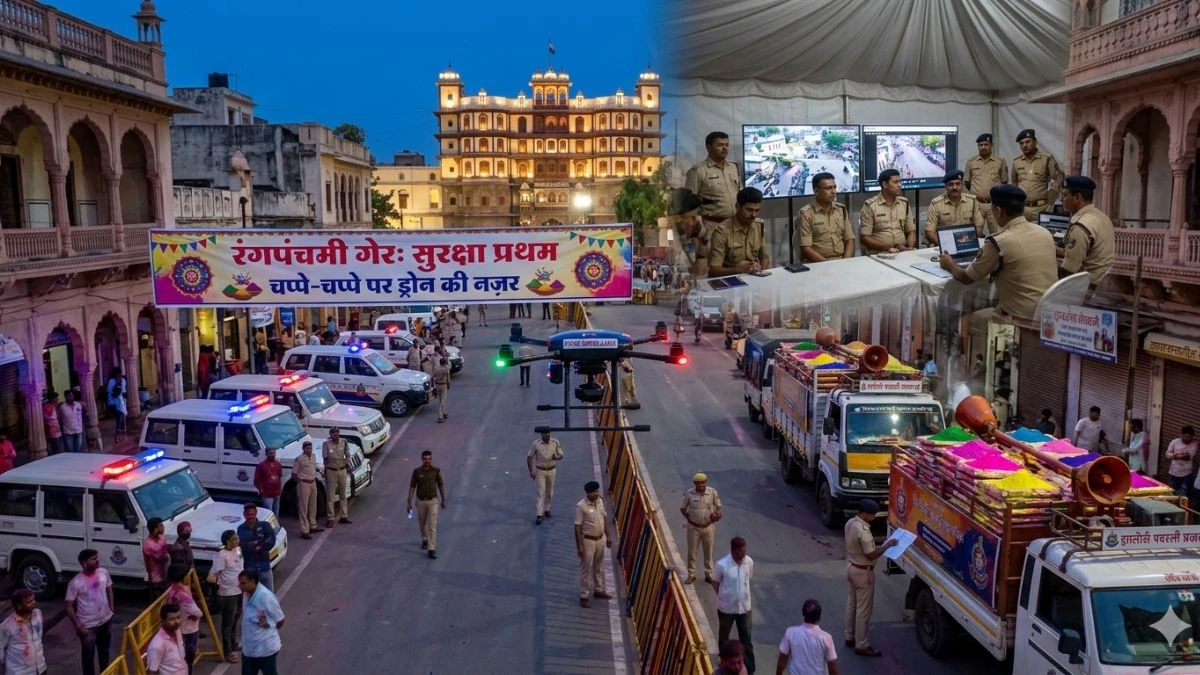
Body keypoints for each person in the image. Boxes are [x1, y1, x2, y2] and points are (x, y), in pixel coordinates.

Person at [938, 184, 1057, 323]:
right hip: (1049, 315)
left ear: (999, 211)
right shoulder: (1044, 233)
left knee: (963, 320)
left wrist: (949, 264)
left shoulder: (999, 242)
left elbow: (966, 278)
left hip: (1019, 318)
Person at [844, 500, 897, 658]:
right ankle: (862, 644)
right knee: (863, 611)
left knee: (852, 605)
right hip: (863, 572)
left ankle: (849, 636)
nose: (874, 517)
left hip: (851, 567)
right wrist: (888, 545)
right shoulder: (864, 531)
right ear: (865, 514)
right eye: (872, 514)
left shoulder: (850, 523)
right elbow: (871, 554)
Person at [1057, 175, 1115, 293]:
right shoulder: (1101, 216)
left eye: (1065, 195)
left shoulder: (1081, 227)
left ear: (1077, 197)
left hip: (1087, 290)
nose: (1061, 200)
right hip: (1104, 285)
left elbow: (1069, 270)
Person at [65, 549, 114, 675]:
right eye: (93, 559)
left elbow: (109, 589)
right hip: (88, 626)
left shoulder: (103, 573)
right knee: (88, 658)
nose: (97, 560)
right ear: (84, 563)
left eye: (97, 557)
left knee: (104, 653)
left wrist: (111, 609)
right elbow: (69, 606)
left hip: (105, 621)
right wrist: (78, 625)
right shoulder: (76, 582)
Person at [712, 536, 755, 674]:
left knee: (746, 639)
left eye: (745, 550)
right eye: (741, 551)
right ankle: (724, 666)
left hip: (744, 608)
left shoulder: (748, 562)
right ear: (733, 550)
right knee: (724, 639)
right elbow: (715, 583)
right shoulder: (722, 565)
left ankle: (749, 668)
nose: (744, 553)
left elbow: (749, 578)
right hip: (726, 608)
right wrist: (725, 596)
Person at [708, 187, 769, 277]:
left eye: (757, 210)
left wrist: (760, 271)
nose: (754, 215)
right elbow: (714, 270)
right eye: (749, 210)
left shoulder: (759, 225)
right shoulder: (722, 232)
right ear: (737, 207)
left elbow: (764, 257)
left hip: (754, 276)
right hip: (730, 279)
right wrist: (739, 270)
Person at [796, 172, 854, 262]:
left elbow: (849, 239)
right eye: (828, 188)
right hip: (818, 263)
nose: (833, 191)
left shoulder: (841, 209)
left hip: (842, 261)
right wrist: (828, 265)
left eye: (834, 187)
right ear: (816, 191)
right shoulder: (806, 213)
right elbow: (806, 249)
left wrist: (845, 262)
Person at [684, 131, 741, 224]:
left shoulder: (734, 167)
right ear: (709, 147)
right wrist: (696, 235)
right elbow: (689, 206)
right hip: (712, 227)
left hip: (734, 224)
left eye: (727, 145)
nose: (725, 148)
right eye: (720, 145)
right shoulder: (698, 171)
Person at [574, 480, 615, 608]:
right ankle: (584, 595)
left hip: (600, 539)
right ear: (588, 493)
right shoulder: (581, 506)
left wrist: (608, 536)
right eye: (594, 492)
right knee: (586, 568)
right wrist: (579, 546)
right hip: (588, 540)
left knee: (599, 566)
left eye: (597, 491)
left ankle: (598, 589)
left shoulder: (600, 501)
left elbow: (604, 519)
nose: (596, 494)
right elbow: (577, 527)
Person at [206, 530, 242, 664]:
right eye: (234, 539)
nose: (237, 540)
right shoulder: (221, 556)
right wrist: (218, 588)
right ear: (227, 541)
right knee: (228, 622)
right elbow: (213, 574)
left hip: (238, 590)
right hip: (227, 593)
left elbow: (239, 563)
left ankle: (233, 643)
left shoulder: (237, 550)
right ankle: (227, 650)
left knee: (236, 617)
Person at [1011, 129, 1063, 222]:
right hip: (1022, 209)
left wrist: (1051, 204)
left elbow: (1057, 180)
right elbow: (1015, 183)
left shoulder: (1046, 159)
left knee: (1039, 235)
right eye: (1021, 143)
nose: (1024, 145)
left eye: (1027, 142)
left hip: (1041, 208)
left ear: (1035, 142)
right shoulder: (1016, 162)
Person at [777, 598, 839, 675]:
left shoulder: (791, 632)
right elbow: (833, 666)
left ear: (803, 614)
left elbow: (782, 662)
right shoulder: (826, 638)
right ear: (819, 617)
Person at [239, 570, 284, 675]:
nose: (240, 586)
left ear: (253, 581)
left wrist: (269, 629)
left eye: (243, 583)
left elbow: (280, 619)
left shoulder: (266, 597)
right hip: (249, 649)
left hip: (265, 649)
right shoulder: (246, 594)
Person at [680, 472, 722, 585]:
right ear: (695, 484)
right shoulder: (689, 494)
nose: (701, 486)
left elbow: (718, 507)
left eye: (703, 483)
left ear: (706, 483)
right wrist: (689, 518)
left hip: (708, 527)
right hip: (693, 527)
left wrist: (716, 515)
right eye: (698, 483)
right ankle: (691, 574)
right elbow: (683, 508)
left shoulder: (712, 492)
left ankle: (709, 574)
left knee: (708, 551)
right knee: (692, 552)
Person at [859, 169, 916, 253]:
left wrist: (909, 248)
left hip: (902, 251)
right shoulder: (870, 206)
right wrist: (887, 248)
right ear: (885, 184)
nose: (900, 185)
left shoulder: (904, 203)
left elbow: (911, 231)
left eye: (900, 182)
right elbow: (865, 238)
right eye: (895, 182)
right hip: (880, 253)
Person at [924, 170, 986, 244]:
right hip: (944, 244)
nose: (954, 187)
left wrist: (971, 242)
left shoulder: (972, 201)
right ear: (945, 186)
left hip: (967, 242)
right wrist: (943, 245)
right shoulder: (936, 204)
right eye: (951, 184)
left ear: (962, 185)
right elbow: (929, 231)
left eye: (958, 184)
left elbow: (978, 226)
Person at [964, 133, 1009, 234]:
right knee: (975, 233)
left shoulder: (1000, 161)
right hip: (977, 204)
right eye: (980, 145)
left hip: (993, 204)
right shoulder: (971, 161)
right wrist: (977, 193)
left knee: (997, 234)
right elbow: (967, 181)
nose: (983, 147)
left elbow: (1004, 181)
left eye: (986, 144)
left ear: (991, 145)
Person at [407, 450, 447, 559]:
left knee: (432, 525)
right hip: (421, 501)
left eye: (429, 459)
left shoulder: (436, 471)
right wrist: (409, 502)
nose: (427, 461)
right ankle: (425, 539)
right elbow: (412, 487)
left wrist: (443, 500)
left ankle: (431, 548)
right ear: (422, 459)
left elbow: (441, 485)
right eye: (425, 459)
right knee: (422, 522)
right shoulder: (416, 471)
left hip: (433, 501)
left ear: (431, 459)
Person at [164, 566, 202, 675]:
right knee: (188, 660)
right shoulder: (183, 593)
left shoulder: (171, 591)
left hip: (178, 628)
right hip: (188, 629)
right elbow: (198, 612)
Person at [0, 588, 46, 675]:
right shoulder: (7, 626)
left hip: (40, 668)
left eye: (33, 600)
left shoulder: (38, 614)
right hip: (19, 672)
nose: (33, 603)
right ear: (18, 606)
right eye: (29, 602)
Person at [669, 188, 713, 279]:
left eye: (697, 216)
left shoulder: (699, 231)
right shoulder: (674, 237)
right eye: (692, 217)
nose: (697, 220)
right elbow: (696, 272)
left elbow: (702, 272)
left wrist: (702, 242)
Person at [527, 431, 564, 525]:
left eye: (548, 434)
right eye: (544, 435)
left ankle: (547, 509)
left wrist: (557, 458)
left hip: (552, 470)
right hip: (540, 471)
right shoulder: (536, 444)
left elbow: (561, 455)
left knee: (550, 491)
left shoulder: (555, 442)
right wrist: (531, 471)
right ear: (541, 435)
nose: (547, 436)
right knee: (541, 491)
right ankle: (539, 514)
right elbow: (529, 457)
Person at [238, 503, 276, 591]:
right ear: (244, 514)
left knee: (269, 596)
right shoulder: (241, 529)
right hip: (250, 571)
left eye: (252, 514)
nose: (250, 516)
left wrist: (259, 546)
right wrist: (258, 543)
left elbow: (271, 540)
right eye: (248, 514)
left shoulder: (265, 525)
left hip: (265, 568)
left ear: (256, 513)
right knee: (252, 597)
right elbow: (243, 546)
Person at [145, 602, 188, 675]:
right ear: (163, 621)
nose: (177, 622)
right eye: (172, 619)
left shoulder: (177, 630)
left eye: (178, 617)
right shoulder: (157, 645)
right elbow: (152, 671)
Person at [322, 428, 352, 528]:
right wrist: (329, 466)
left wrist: (345, 462)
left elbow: (348, 454)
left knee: (343, 494)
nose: (336, 435)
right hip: (331, 471)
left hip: (342, 470)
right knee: (330, 495)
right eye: (334, 433)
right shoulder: (326, 444)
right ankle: (331, 518)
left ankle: (344, 515)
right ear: (330, 434)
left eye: (337, 433)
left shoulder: (344, 442)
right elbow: (325, 458)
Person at [291, 441, 321, 539]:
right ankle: (304, 530)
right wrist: (299, 482)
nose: (309, 450)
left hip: (313, 483)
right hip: (304, 484)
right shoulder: (299, 459)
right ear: (303, 449)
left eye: (310, 448)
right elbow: (294, 474)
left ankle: (313, 526)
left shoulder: (313, 456)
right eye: (307, 448)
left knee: (313, 505)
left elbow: (314, 467)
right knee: (303, 508)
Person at [143, 517, 171, 598]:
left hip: (165, 574)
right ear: (155, 529)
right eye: (161, 526)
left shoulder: (162, 538)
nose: (163, 527)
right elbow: (161, 558)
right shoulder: (148, 544)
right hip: (156, 579)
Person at [1166, 426, 1198, 497]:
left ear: (1192, 437)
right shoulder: (1174, 442)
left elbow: (1188, 457)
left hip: (1186, 474)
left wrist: (1175, 456)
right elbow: (1167, 454)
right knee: (1171, 494)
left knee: (1183, 495)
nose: (1187, 439)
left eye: (1189, 437)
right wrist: (1173, 456)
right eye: (1185, 436)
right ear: (1181, 435)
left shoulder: (1194, 444)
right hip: (1173, 472)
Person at [253, 448, 283, 516]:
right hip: (267, 494)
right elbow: (256, 480)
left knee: (276, 512)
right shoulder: (261, 465)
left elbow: (279, 476)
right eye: (270, 453)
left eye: (273, 453)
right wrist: (261, 490)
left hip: (276, 493)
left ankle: (275, 526)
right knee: (268, 513)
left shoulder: (278, 464)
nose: (272, 455)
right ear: (266, 454)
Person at [432, 357, 451, 422]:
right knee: (443, 400)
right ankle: (440, 416)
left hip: (437, 385)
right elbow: (448, 378)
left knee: (440, 400)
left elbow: (432, 377)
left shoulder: (437, 369)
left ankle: (443, 412)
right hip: (443, 385)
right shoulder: (446, 368)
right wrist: (448, 385)